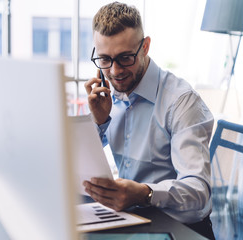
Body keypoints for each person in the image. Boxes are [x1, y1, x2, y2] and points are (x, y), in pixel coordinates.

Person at [83, 2, 215, 239]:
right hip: (133, 221)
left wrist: (144, 193)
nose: (114, 71)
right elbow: (80, 165)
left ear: (145, 47)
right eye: (104, 59)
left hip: (180, 229)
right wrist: (98, 122)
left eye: (125, 58)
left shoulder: (181, 102)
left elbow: (199, 192)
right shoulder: (109, 97)